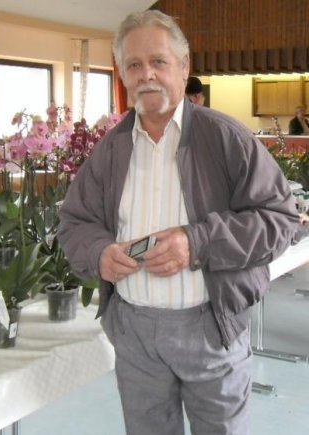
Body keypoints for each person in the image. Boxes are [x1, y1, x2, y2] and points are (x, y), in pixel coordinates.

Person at [58, 10, 299, 435]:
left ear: (184, 68)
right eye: (134, 64)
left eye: (158, 61)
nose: (146, 74)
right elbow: (74, 223)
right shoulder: (110, 150)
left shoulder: (227, 138)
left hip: (211, 327)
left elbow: (279, 220)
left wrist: (197, 242)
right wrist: (99, 254)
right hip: (134, 335)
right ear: (122, 74)